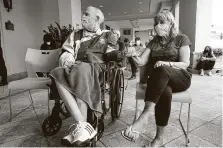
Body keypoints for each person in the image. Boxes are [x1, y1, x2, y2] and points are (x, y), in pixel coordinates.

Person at [49, 6, 126, 146]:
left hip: (97, 70)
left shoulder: (108, 34)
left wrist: (121, 53)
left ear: (97, 19)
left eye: (86, 14)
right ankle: (83, 126)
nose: (82, 16)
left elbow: (110, 54)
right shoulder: (75, 34)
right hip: (75, 67)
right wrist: (69, 60)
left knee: (82, 69)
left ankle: (80, 129)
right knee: (56, 73)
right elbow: (67, 51)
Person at [121, 10, 192, 147]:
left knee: (161, 68)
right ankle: (159, 139)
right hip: (160, 82)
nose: (157, 25)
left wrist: (167, 63)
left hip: (180, 78)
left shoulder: (181, 38)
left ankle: (144, 116)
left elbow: (185, 64)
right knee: (164, 91)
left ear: (170, 24)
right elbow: (141, 62)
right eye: (156, 22)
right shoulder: (154, 42)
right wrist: (132, 54)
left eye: (161, 22)